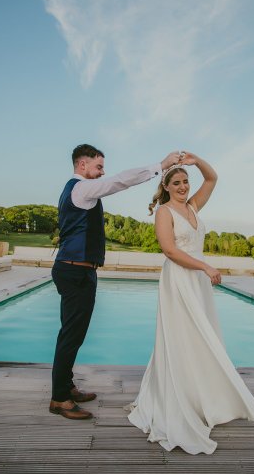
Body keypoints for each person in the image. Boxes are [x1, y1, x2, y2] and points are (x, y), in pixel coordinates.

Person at [127, 152, 254, 454]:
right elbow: (170, 251)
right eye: (176, 182)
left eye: (186, 181)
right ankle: (179, 399)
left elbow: (213, 178)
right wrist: (205, 267)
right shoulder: (164, 212)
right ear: (166, 186)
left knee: (203, 336)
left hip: (198, 280)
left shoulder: (193, 206)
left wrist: (195, 160)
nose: (183, 186)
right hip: (180, 279)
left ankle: (203, 397)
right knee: (182, 337)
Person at [50, 144, 183, 420]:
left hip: (76, 270)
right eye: (98, 166)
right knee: (71, 336)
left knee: (71, 334)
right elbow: (119, 181)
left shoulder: (76, 191)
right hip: (75, 272)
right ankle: (59, 399)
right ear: (82, 165)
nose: (102, 172)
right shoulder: (81, 188)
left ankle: (65, 386)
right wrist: (160, 165)